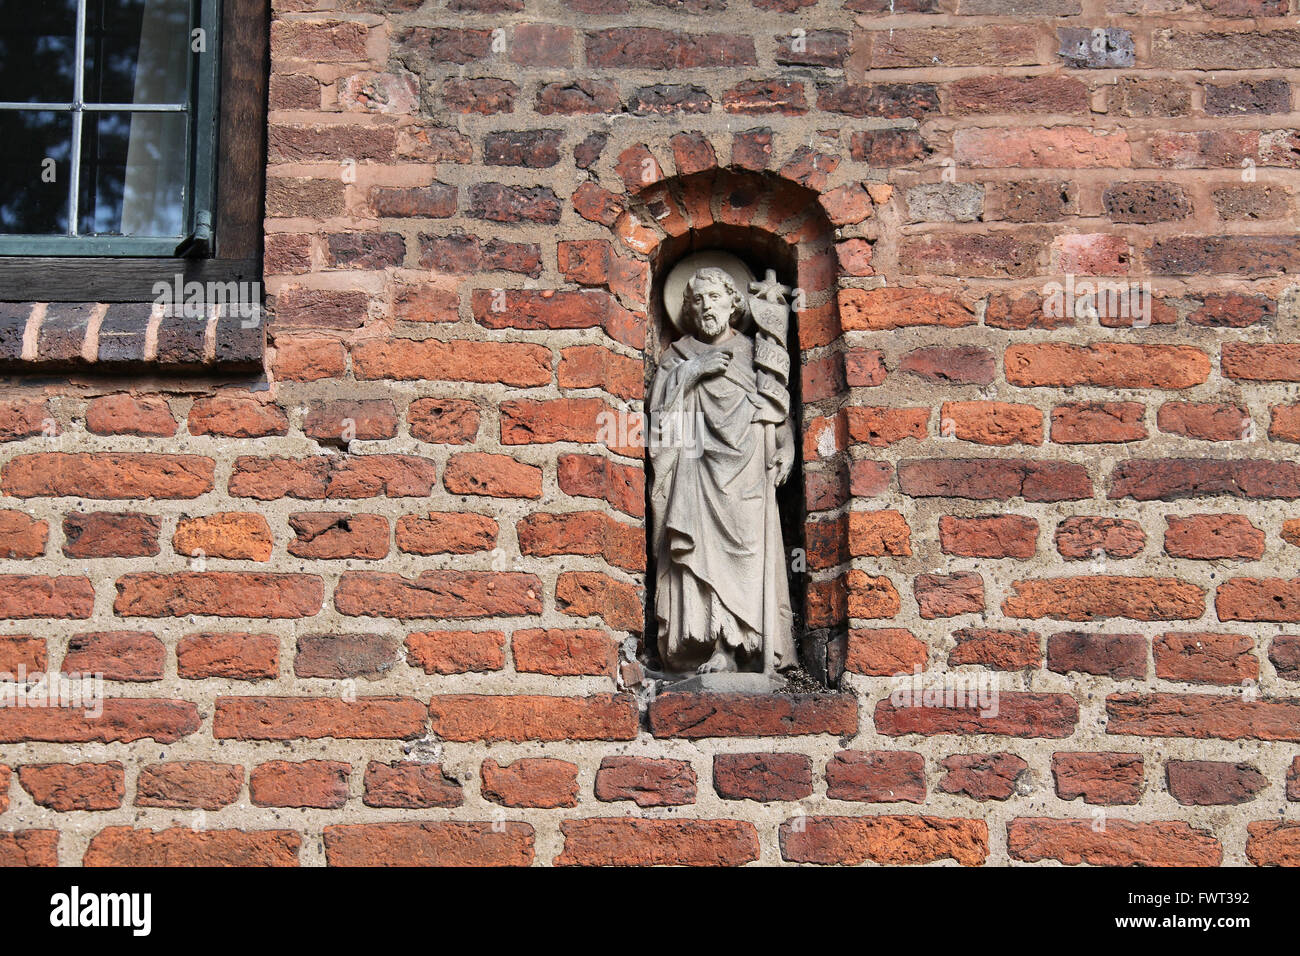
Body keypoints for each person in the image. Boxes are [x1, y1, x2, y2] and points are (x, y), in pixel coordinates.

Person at [648, 267, 796, 676]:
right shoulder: (676, 357)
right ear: (688, 310)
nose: (706, 306)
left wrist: (788, 447)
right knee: (700, 554)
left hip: (749, 470)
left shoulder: (756, 351)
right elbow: (658, 422)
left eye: (714, 297)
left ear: (733, 303)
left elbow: (777, 406)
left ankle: (748, 646)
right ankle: (716, 646)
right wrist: (694, 371)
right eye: (697, 300)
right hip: (696, 470)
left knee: (746, 557)